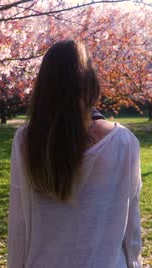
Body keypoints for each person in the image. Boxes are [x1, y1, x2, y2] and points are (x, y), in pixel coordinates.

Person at [8, 40, 142, 268]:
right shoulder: (123, 142)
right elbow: (131, 225)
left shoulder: (26, 141)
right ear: (90, 82)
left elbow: (19, 226)